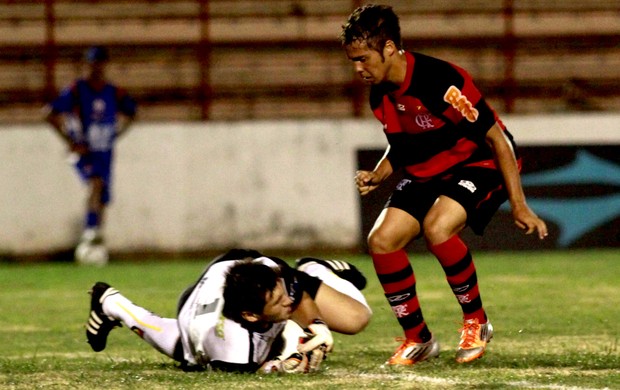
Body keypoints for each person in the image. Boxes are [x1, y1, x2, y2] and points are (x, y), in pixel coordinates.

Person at [340, 5, 548, 366]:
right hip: (429, 169)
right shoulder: (380, 91)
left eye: (362, 58)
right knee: (382, 240)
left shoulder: (439, 81)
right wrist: (378, 173)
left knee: (437, 227)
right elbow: (402, 144)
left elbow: (498, 139)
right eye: (352, 60)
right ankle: (417, 338)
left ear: (389, 48)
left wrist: (519, 204)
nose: (357, 68)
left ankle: (476, 322)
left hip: (479, 163)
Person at [85, 249, 371, 373]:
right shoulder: (235, 352)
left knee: (356, 318)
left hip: (228, 268)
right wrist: (291, 363)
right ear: (250, 315)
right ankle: (111, 302)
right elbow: (258, 370)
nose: (288, 302)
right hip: (196, 320)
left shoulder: (270, 276)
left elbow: (294, 290)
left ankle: (313, 266)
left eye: (282, 292)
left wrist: (317, 324)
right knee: (186, 353)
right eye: (278, 301)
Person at [43, 46, 137, 260]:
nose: (96, 68)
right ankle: (90, 231)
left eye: (99, 63)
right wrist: (70, 140)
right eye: (92, 63)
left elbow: (133, 112)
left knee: (102, 195)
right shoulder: (77, 90)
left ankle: (96, 243)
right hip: (84, 152)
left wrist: (116, 134)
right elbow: (50, 114)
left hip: (104, 152)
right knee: (94, 182)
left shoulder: (112, 92)